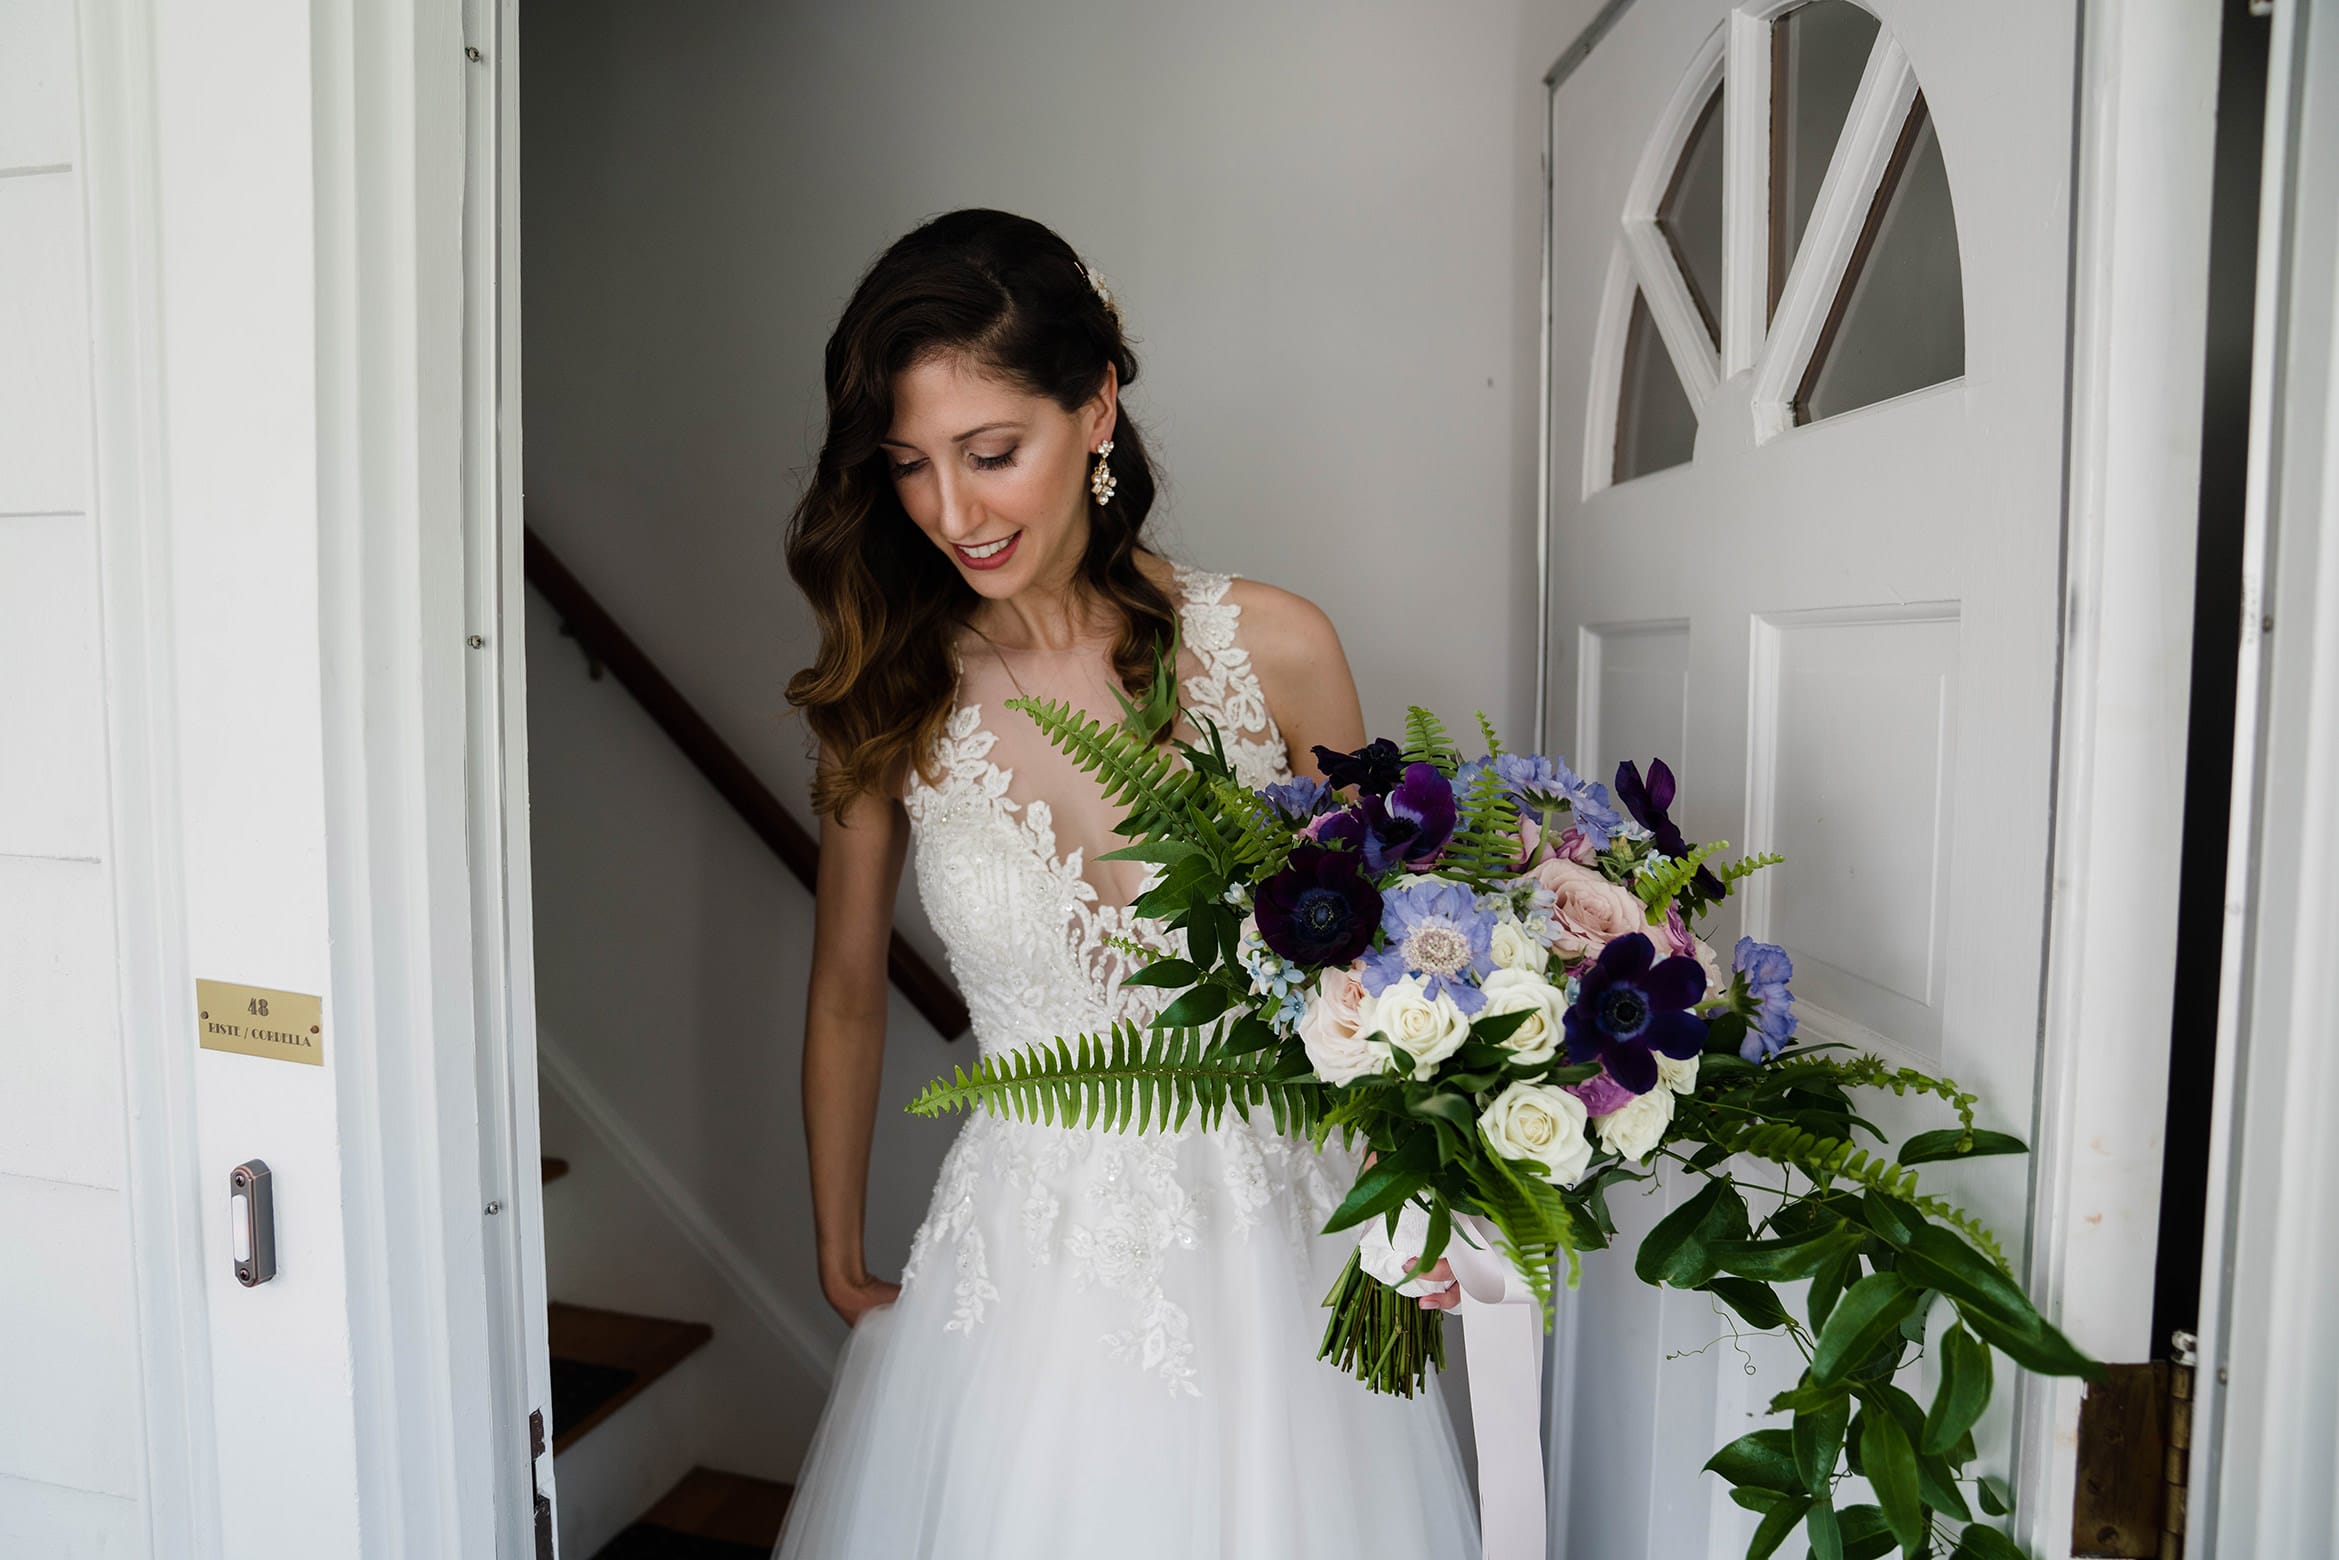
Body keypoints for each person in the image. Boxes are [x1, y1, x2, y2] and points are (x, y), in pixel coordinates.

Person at [775, 208, 1479, 1558]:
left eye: (991, 454)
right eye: (910, 465)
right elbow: (848, 985)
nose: (952, 513)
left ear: (1096, 406)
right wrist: (835, 1243)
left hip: (1286, 1244)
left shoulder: (1278, 648)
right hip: (1023, 1269)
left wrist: (1422, 1197)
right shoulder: (889, 696)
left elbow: (1386, 972)